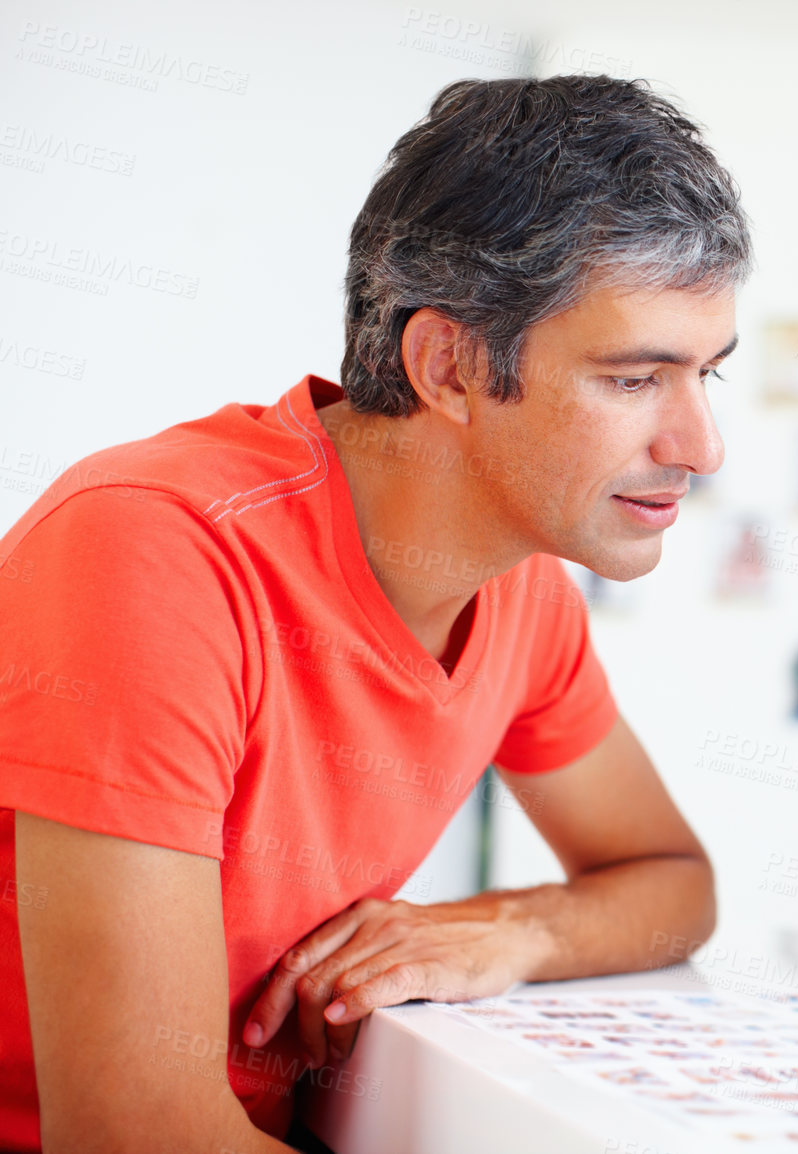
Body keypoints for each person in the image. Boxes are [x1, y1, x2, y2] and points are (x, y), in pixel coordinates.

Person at [0, 75, 748, 1152]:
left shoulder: (522, 592)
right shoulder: (157, 553)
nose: (700, 446)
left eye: (707, 374)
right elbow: (133, 1134)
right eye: (635, 379)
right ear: (446, 363)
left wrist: (501, 930)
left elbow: (673, 884)